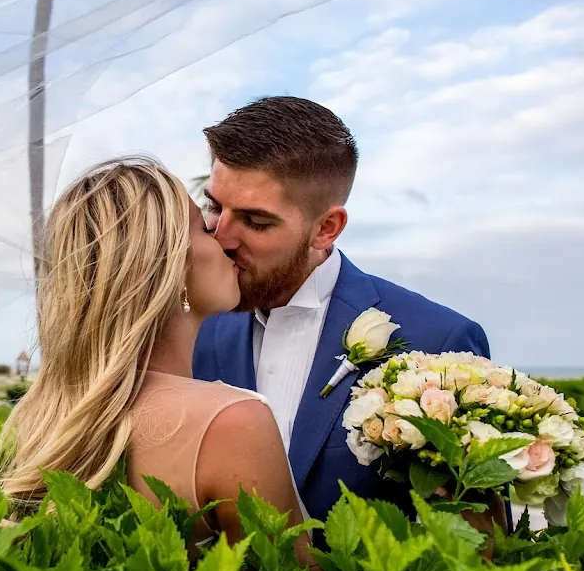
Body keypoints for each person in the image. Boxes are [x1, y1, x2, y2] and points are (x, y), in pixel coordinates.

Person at [0, 156, 321, 571]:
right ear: (170, 266)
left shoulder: (57, 413)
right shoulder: (230, 422)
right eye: (203, 226)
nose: (224, 239)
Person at [192, 96, 509, 548]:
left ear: (326, 228)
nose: (221, 238)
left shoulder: (438, 343)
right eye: (215, 208)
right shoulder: (196, 330)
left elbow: (481, 549)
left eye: (255, 222)